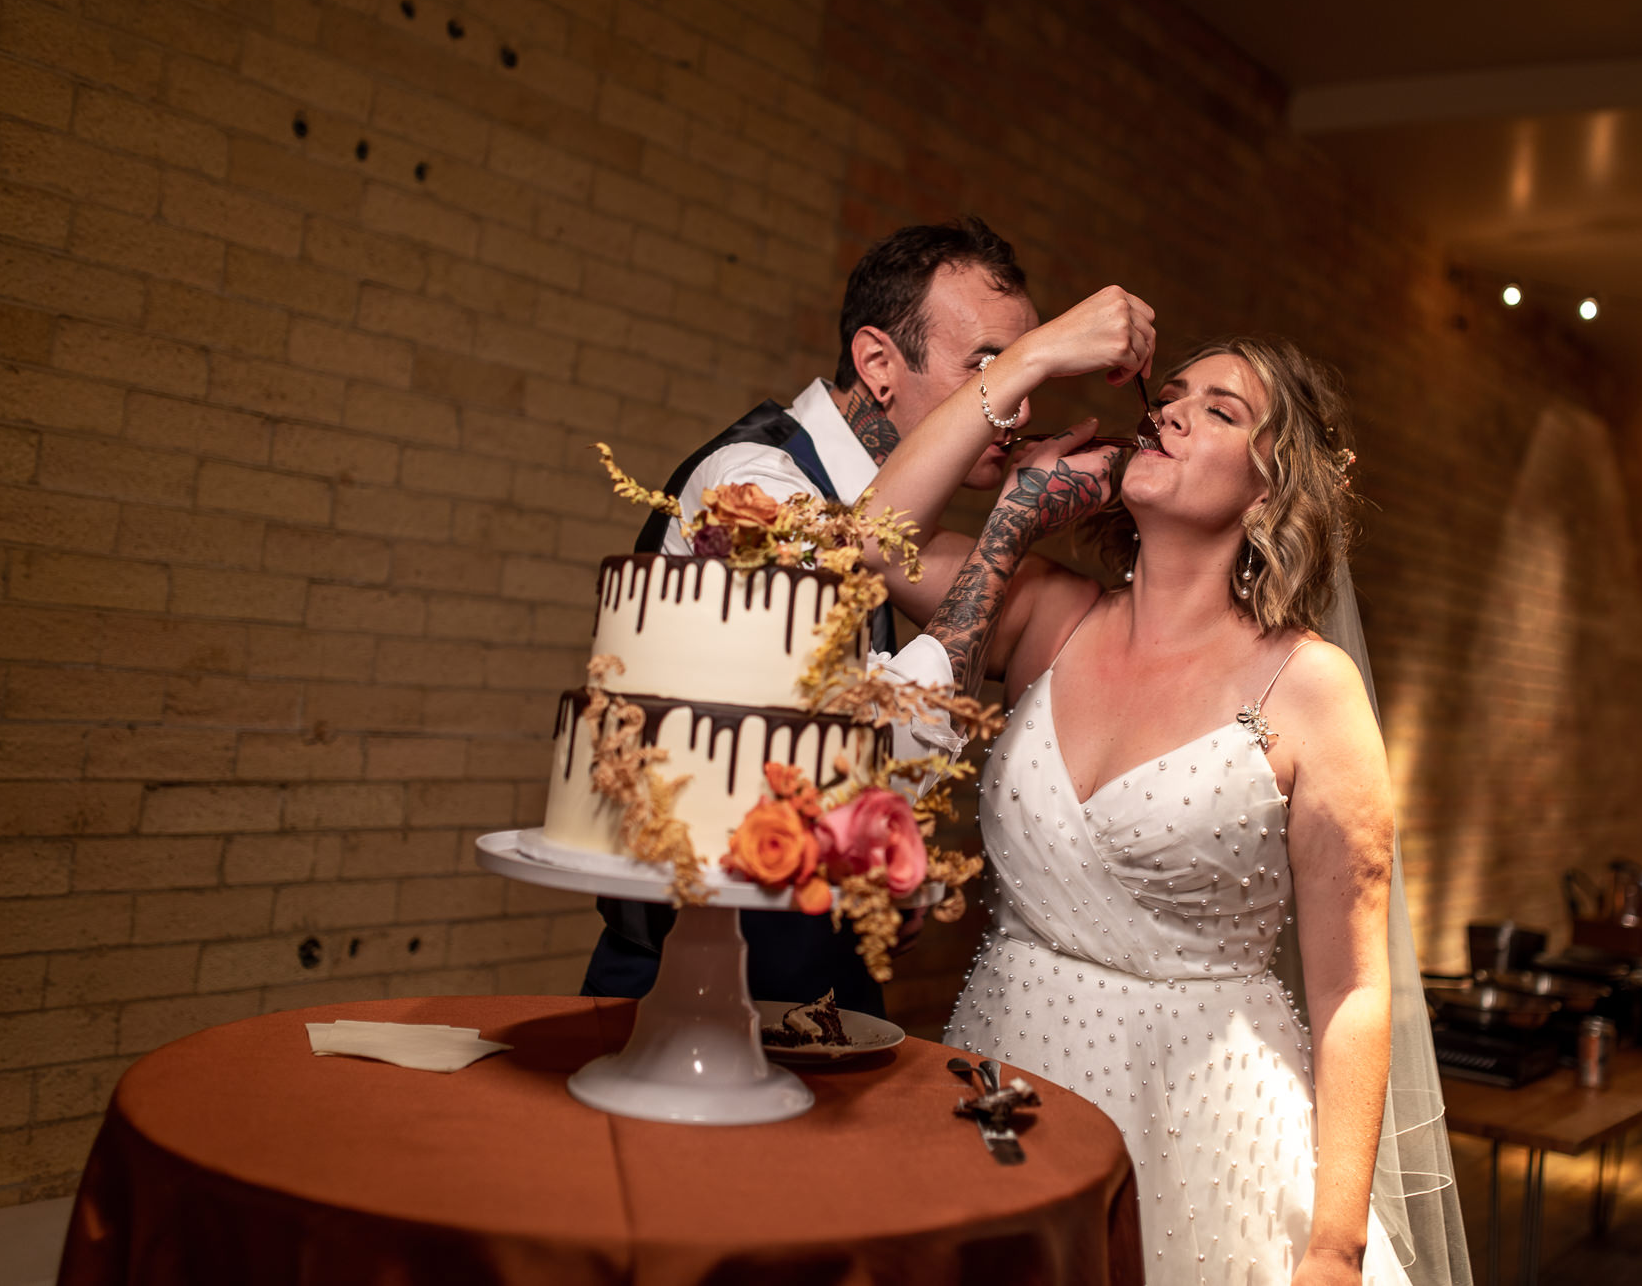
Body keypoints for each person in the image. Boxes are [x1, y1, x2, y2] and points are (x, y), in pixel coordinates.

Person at [861, 324, 1466, 1286]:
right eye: (1172, 396)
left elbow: (1353, 988)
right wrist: (1031, 387)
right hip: (1007, 1071)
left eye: (1220, 410)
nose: (1174, 411)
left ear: (1273, 487)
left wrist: (1335, 1245)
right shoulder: (1045, 614)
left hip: (1205, 1131)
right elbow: (863, 538)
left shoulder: (1312, 689)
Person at [580, 218, 1040, 1012]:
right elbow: (891, 726)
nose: (1020, 407)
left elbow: (835, 765)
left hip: (828, 970)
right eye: (992, 369)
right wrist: (1017, 516)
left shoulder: (885, 508)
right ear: (877, 364)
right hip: (691, 984)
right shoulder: (757, 489)